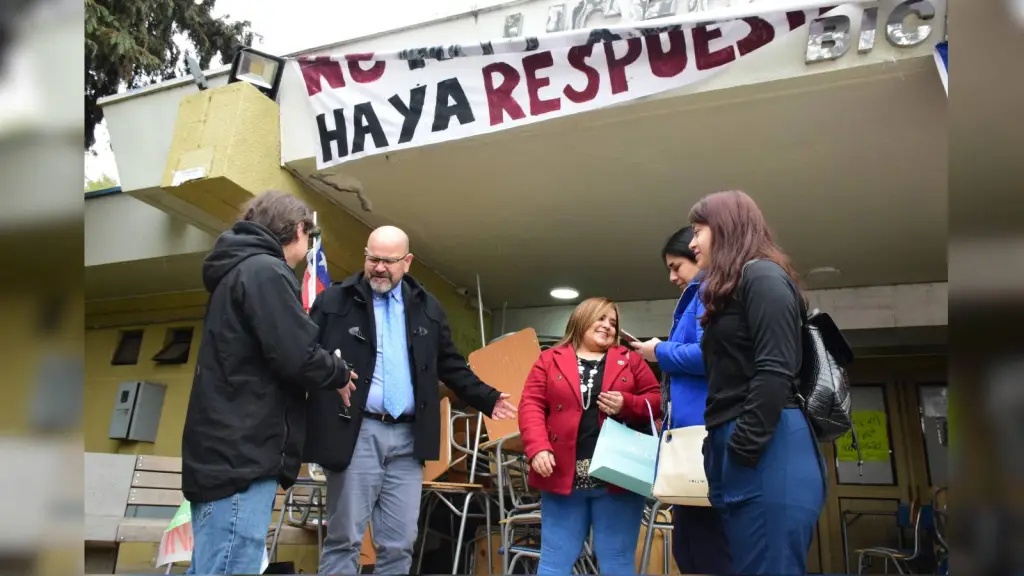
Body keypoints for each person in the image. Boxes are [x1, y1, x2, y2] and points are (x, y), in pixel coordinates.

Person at [305, 225, 518, 575]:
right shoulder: (334, 300)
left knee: (400, 544)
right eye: (372, 258)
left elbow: (450, 363)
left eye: (388, 261)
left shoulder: (427, 307)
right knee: (344, 540)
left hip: (408, 440)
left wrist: (487, 398)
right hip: (355, 434)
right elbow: (307, 353)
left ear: (407, 262)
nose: (378, 268)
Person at [181, 191, 357, 575]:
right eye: (309, 235)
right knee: (232, 565)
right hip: (240, 456)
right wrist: (339, 373)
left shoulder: (239, 269)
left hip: (225, 450)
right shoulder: (265, 271)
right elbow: (298, 353)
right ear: (298, 230)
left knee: (213, 565)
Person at [687, 190, 825, 574]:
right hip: (744, 450)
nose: (692, 242)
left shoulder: (762, 275)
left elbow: (775, 370)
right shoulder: (729, 290)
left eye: (699, 231)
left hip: (768, 450)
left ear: (726, 229)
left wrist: (741, 449)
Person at [518, 297, 662, 575]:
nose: (608, 326)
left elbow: (657, 398)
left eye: (613, 322)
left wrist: (627, 404)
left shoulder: (630, 359)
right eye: (601, 318)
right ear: (582, 318)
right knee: (554, 562)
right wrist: (537, 447)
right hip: (561, 475)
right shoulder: (549, 359)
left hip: (619, 477)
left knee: (618, 561)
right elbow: (531, 404)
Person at [631, 226, 733, 575]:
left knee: (706, 550)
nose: (672, 276)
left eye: (677, 266)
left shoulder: (708, 292)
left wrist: (658, 350)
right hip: (692, 437)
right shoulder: (699, 292)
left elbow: (710, 355)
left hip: (702, 437)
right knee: (690, 548)